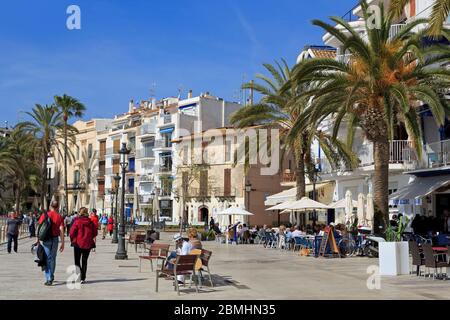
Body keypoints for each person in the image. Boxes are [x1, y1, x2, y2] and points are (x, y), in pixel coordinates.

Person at [36, 201, 64, 286]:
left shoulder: (45, 215)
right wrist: (62, 243)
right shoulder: (59, 216)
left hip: (46, 239)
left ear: (50, 206)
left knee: (47, 258)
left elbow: (39, 227)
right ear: (58, 206)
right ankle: (51, 276)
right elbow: (61, 230)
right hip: (55, 239)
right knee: (53, 258)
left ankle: (49, 278)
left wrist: (37, 239)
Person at [69, 207, 97, 284]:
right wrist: (90, 237)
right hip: (87, 244)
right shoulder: (90, 222)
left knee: (77, 261)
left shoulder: (77, 221)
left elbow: (71, 232)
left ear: (80, 213)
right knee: (84, 261)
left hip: (78, 243)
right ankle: (83, 277)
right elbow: (95, 232)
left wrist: (73, 239)